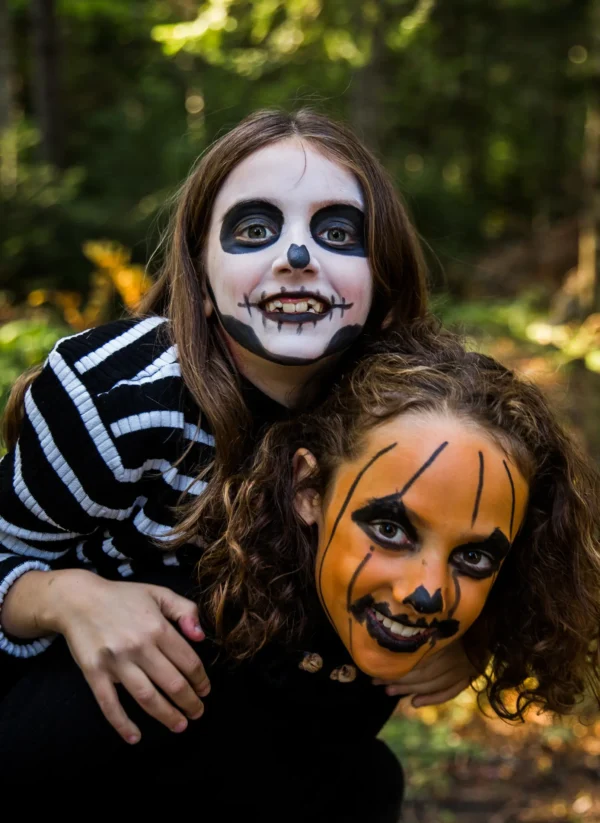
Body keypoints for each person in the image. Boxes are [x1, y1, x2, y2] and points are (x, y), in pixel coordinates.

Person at [1, 324, 598, 823]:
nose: (427, 593)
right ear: (308, 488)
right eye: (391, 529)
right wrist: (54, 597)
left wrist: (480, 636)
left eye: (473, 558)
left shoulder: (363, 745)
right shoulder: (159, 655)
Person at [0, 109, 473, 747]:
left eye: (337, 232)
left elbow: (502, 546)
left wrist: (469, 632)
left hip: (294, 752)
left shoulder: (423, 414)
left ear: (383, 279)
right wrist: (67, 598)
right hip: (82, 740)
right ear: (200, 275)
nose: (297, 257)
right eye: (255, 229)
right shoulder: (114, 398)